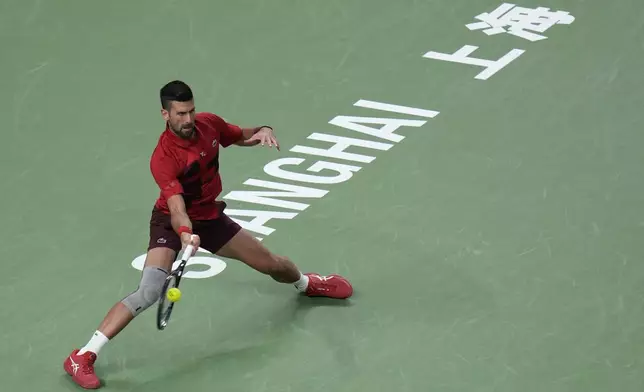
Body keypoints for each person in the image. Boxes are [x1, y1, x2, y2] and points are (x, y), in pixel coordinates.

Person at [63, 80, 354, 389]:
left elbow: (238, 134)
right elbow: (176, 209)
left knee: (271, 263)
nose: (187, 120)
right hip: (170, 223)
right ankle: (83, 356)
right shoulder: (163, 158)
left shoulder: (208, 124)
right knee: (148, 292)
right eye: (180, 114)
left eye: (191, 111)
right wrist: (186, 233)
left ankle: (307, 284)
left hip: (211, 219)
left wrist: (261, 131)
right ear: (165, 114)